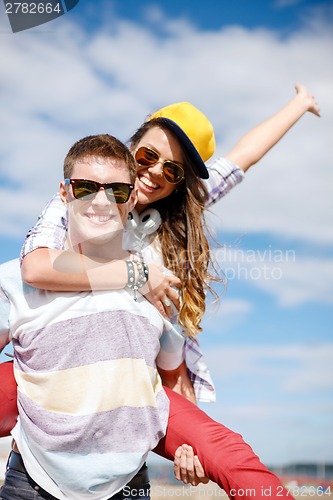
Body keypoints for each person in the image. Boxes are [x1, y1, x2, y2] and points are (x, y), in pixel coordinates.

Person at [0, 83, 320, 496]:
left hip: (141, 369)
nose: (154, 172)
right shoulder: (80, 196)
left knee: (221, 451)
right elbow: (36, 267)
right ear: (130, 149)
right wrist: (135, 273)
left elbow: (243, 158)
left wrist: (299, 105)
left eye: (171, 170)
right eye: (147, 157)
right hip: (57, 363)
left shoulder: (164, 224)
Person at [0, 134, 188, 500]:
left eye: (117, 191)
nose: (100, 201)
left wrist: (188, 445)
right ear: (65, 192)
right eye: (86, 187)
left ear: (132, 198)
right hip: (33, 484)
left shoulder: (156, 286)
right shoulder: (13, 278)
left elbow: (175, 377)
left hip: (129, 486)